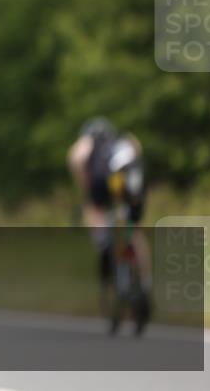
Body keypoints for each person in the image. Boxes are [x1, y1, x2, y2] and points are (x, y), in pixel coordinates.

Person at [67, 118, 151, 321]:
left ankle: (104, 241)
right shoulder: (126, 140)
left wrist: (86, 191)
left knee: (95, 211)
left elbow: (76, 159)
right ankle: (146, 283)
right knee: (134, 231)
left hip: (103, 183)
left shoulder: (87, 142)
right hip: (131, 180)